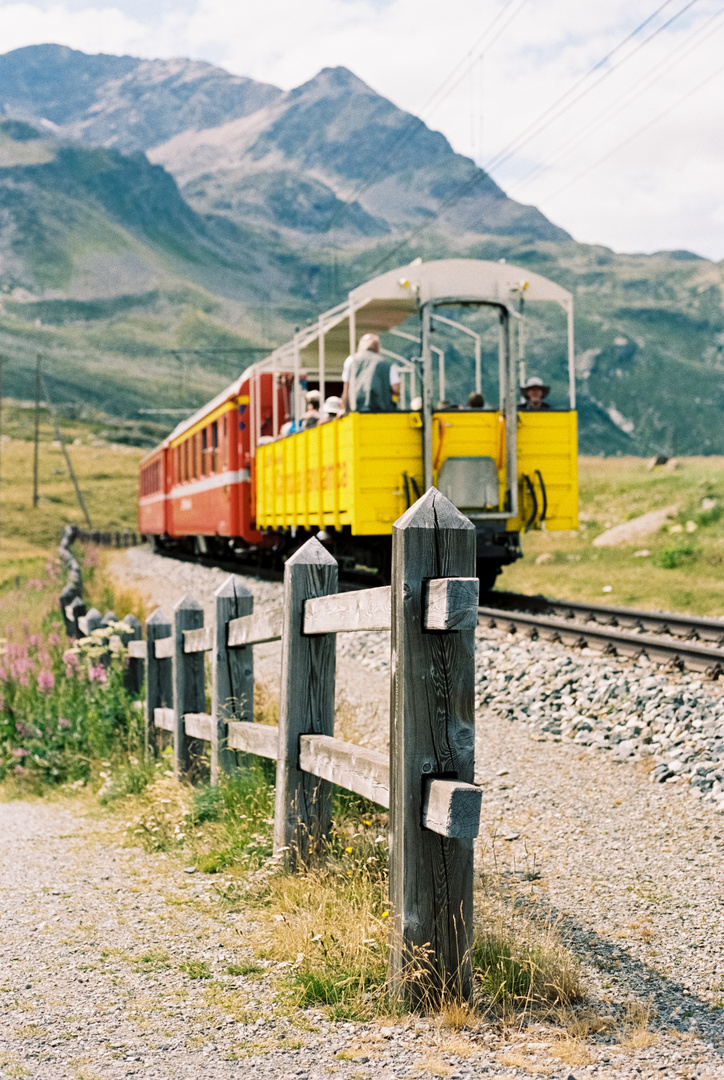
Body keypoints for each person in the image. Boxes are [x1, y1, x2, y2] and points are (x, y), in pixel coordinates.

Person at [340, 333, 400, 413]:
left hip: (357, 410)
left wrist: (344, 408)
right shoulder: (388, 364)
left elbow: (346, 388)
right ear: (377, 347)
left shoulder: (351, 361)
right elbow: (396, 389)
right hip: (383, 411)